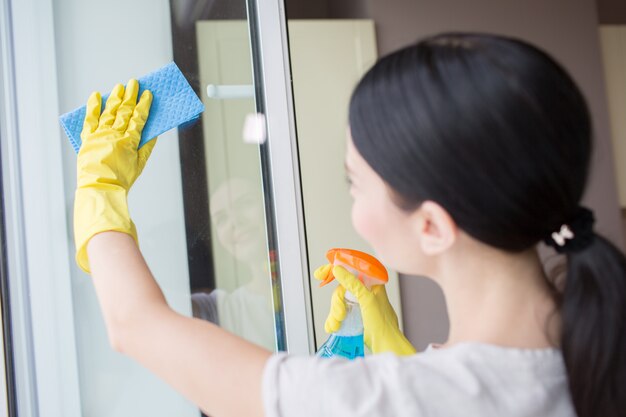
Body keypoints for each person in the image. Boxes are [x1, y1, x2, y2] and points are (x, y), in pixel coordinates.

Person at [73, 32, 626, 417]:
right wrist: (394, 345)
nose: (354, 207)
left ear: (432, 226)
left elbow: (136, 325)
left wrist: (101, 188)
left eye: (354, 184)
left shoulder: (397, 399)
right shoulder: (592, 355)